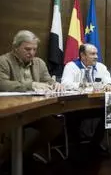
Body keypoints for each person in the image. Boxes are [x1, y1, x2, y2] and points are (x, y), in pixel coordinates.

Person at [0, 30, 63, 167]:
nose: (32, 53)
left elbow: (48, 81)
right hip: (12, 110)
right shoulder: (3, 61)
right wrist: (32, 85)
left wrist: (56, 84)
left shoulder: (39, 62)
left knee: (54, 126)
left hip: (34, 109)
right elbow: (3, 84)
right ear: (16, 47)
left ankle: (25, 154)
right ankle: (6, 161)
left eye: (34, 49)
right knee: (14, 129)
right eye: (27, 49)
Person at [61, 43, 111, 156]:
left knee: (109, 112)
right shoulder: (71, 66)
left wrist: (109, 84)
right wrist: (84, 86)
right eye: (92, 54)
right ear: (82, 55)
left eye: (96, 54)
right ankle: (77, 148)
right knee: (71, 117)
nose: (96, 57)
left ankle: (94, 144)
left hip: (94, 105)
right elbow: (65, 84)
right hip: (75, 106)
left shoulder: (100, 66)